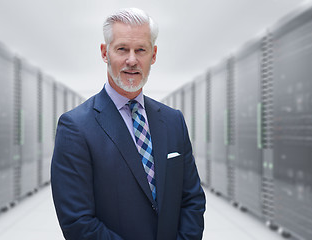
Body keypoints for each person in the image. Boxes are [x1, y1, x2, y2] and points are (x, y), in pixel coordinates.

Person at [51, 8, 206, 240]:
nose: (131, 60)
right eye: (122, 49)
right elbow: (78, 222)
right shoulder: (75, 127)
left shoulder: (173, 121)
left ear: (153, 55)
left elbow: (192, 199)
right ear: (105, 53)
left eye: (140, 50)